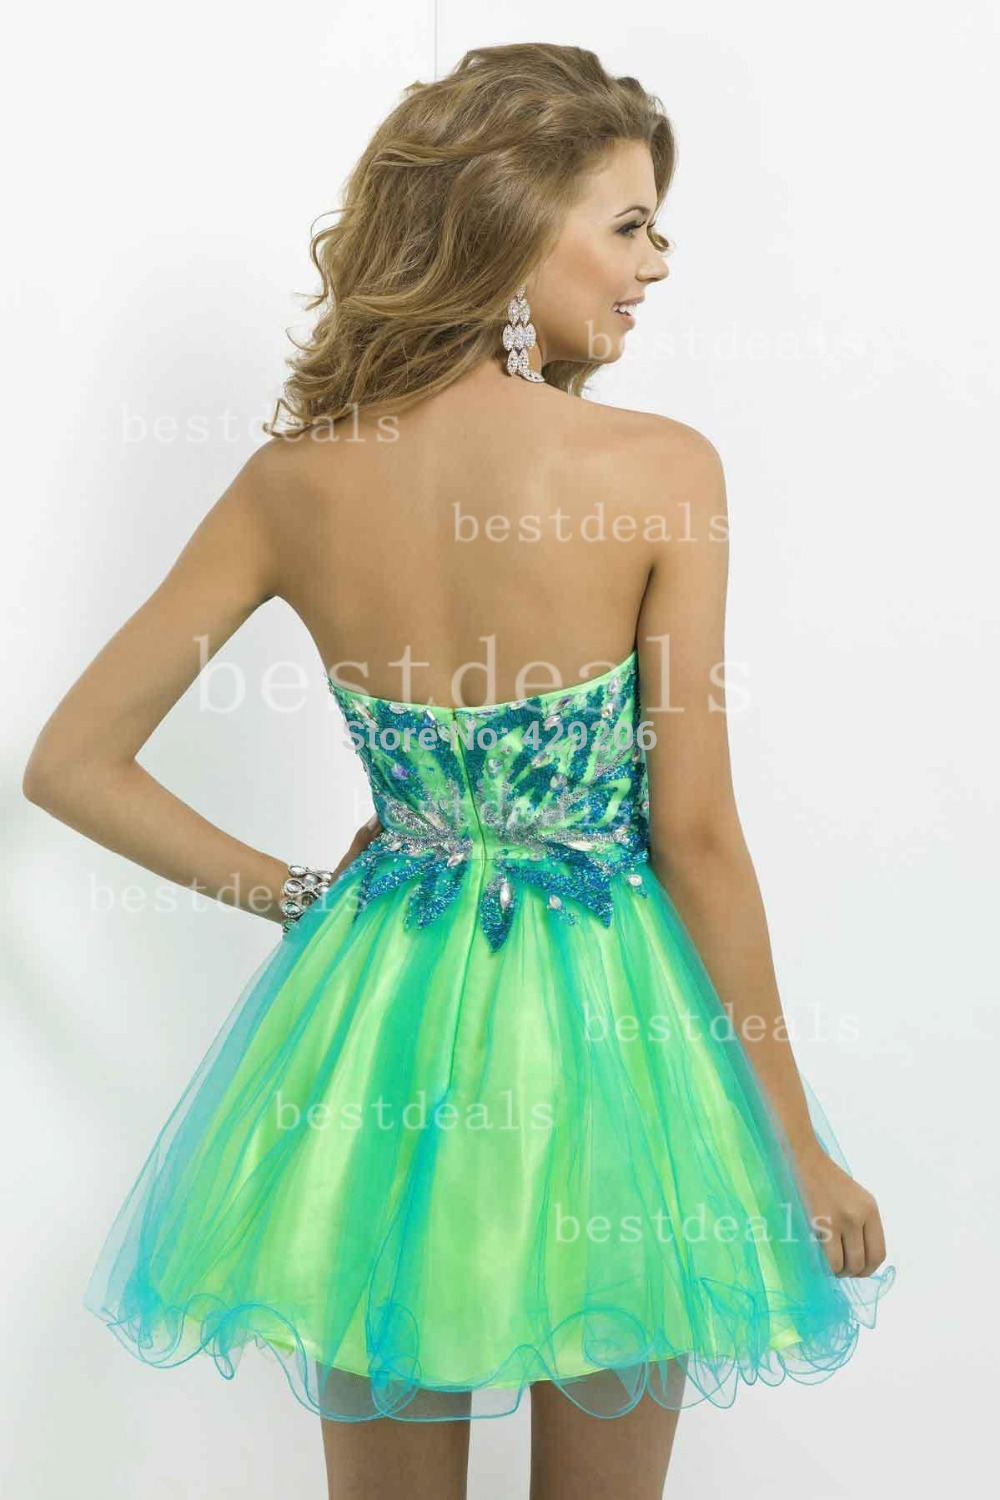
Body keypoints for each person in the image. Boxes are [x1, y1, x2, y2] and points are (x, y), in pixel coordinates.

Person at [22, 41, 895, 1500]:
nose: (656, 266)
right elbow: (695, 838)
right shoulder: (661, 470)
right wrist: (790, 1142)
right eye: (630, 225)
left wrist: (303, 897)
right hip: (615, 1041)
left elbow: (72, 761)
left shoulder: (295, 483)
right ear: (509, 222)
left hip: (374, 1028)